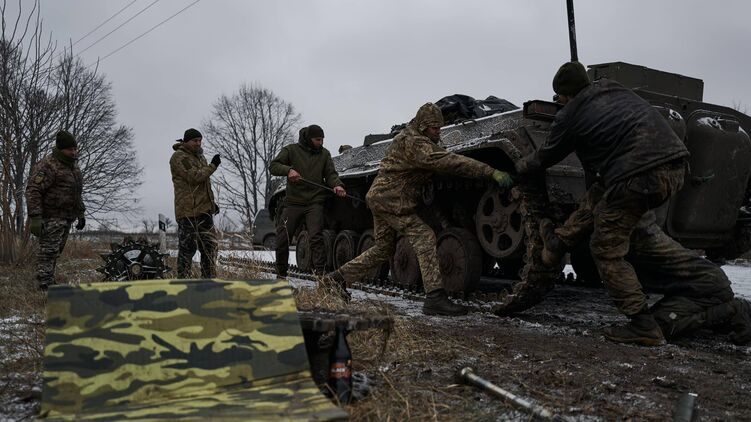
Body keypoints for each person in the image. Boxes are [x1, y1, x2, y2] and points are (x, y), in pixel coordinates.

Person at [516, 60, 733, 346]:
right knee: (606, 202)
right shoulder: (612, 89)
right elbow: (597, 177)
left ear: (564, 94)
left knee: (605, 248)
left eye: (560, 96)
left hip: (635, 175)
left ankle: (643, 326)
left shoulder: (570, 114)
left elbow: (546, 156)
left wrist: (517, 168)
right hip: (673, 166)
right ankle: (558, 242)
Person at [327, 103, 514, 315]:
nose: (439, 131)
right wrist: (490, 172)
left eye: (439, 127)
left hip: (382, 198)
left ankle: (336, 279)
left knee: (383, 249)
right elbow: (448, 161)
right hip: (391, 200)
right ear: (424, 126)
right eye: (435, 128)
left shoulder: (417, 137)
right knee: (425, 237)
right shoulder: (414, 143)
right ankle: (435, 298)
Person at [270, 124, 346, 277]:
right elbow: (273, 166)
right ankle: (281, 276)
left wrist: (337, 185)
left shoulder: (324, 154)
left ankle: (322, 278)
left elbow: (330, 174)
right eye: (318, 139)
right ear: (309, 138)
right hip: (293, 202)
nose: (321, 143)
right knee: (282, 238)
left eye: (322, 139)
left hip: (314, 202)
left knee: (316, 238)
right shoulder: (291, 150)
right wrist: (288, 170)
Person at [26, 130, 86, 291]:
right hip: (51, 216)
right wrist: (36, 217)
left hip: (67, 217)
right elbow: (33, 190)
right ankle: (44, 286)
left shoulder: (73, 167)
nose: (73, 152)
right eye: (70, 149)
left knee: (56, 250)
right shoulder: (48, 165)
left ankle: (48, 280)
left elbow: (76, 192)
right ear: (60, 149)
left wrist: (80, 212)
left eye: (75, 149)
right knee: (48, 251)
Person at [170, 128, 220, 278]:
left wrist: (211, 204)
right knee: (187, 249)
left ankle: (208, 281)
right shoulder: (179, 157)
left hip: (204, 211)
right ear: (186, 142)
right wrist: (213, 166)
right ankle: (183, 282)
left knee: (209, 248)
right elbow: (195, 177)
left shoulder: (200, 157)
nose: (198, 143)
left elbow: (204, 184)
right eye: (195, 141)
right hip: (188, 212)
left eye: (200, 140)